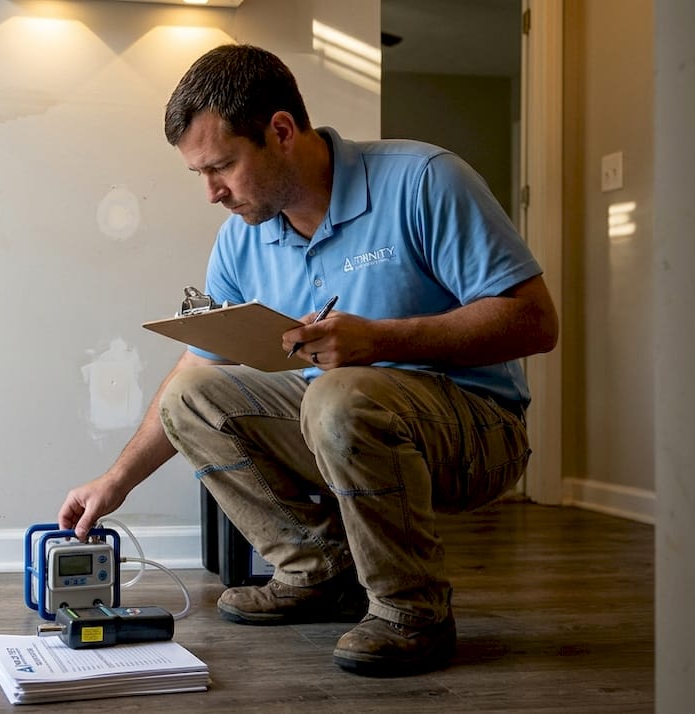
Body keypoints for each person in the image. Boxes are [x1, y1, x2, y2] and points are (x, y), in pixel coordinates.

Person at [57, 44, 558, 677]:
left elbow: (537, 323)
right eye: (200, 175)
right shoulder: (242, 237)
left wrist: (382, 341)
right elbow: (192, 371)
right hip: (342, 425)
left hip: (479, 431)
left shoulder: (425, 180)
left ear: (282, 131)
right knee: (195, 395)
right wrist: (115, 481)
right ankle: (319, 573)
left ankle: (413, 610)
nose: (212, 193)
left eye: (223, 167)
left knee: (338, 393)